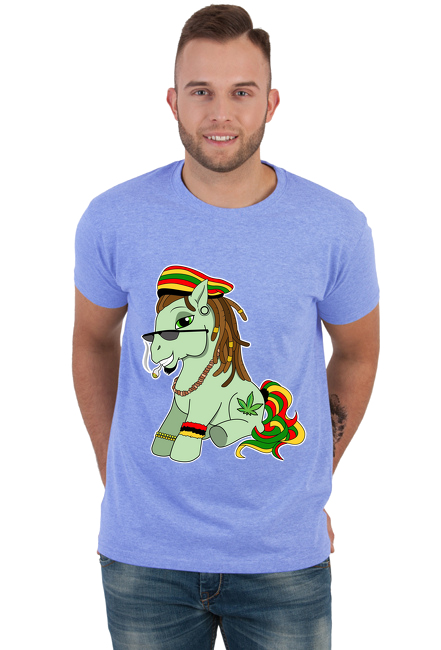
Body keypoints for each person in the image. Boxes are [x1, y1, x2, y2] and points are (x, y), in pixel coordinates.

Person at [72, 5, 380, 649]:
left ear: (271, 103)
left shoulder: (335, 226)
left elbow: (357, 353)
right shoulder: (113, 218)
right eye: (200, 92)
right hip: (144, 556)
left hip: (281, 555)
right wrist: (116, 473)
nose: (220, 113)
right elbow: (92, 341)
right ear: (172, 102)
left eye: (241, 92)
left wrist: (311, 481)